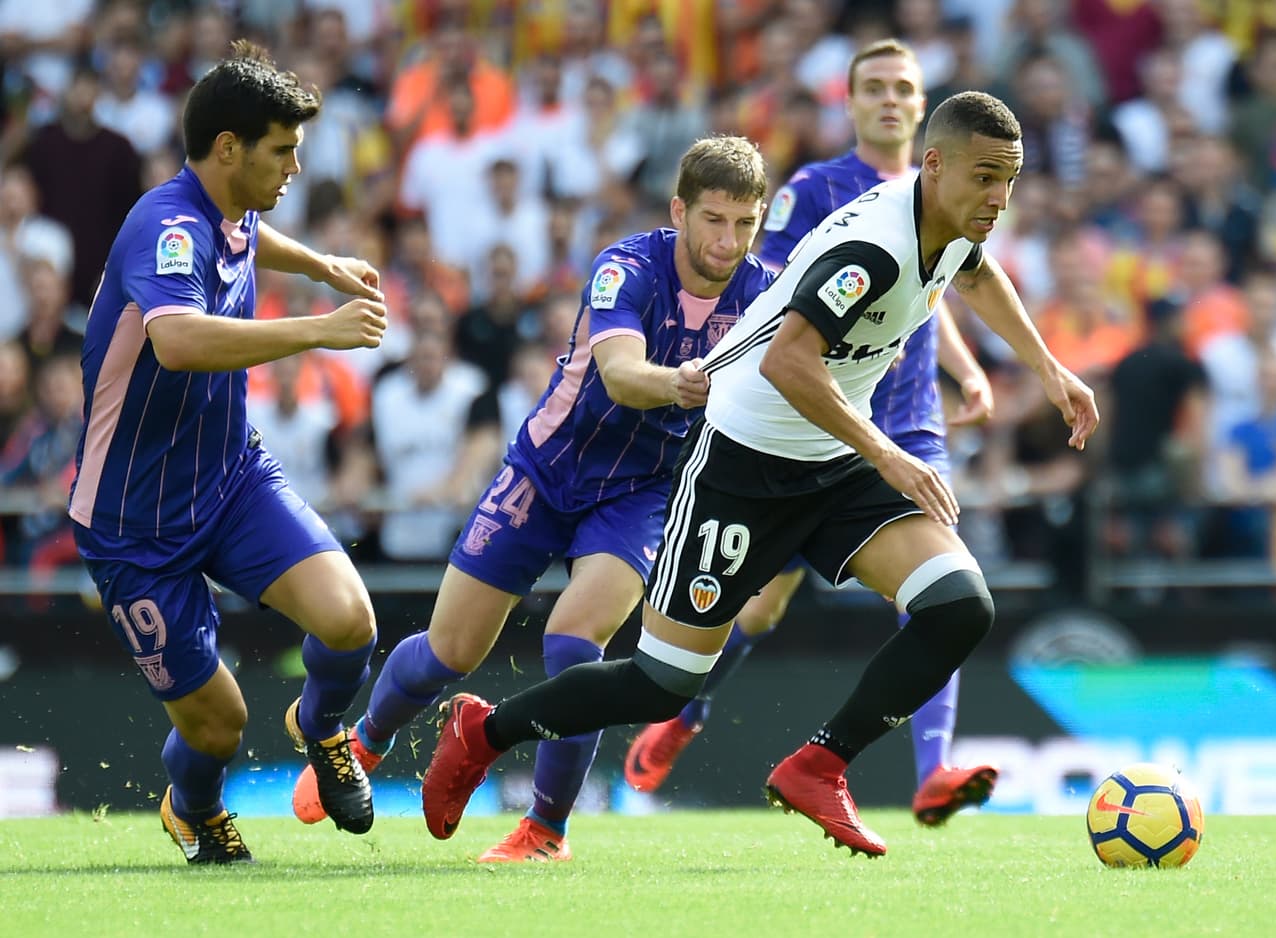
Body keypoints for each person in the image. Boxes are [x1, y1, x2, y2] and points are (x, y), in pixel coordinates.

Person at [420, 91, 1099, 857]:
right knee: (658, 683)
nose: (999, 199)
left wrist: (1048, 369)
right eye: (985, 177)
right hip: (743, 462)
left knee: (958, 605)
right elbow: (787, 361)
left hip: (832, 457)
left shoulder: (948, 219)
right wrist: (886, 451)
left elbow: (973, 273)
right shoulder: (873, 249)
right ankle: (485, 729)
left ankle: (820, 764)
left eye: (1009, 178)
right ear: (935, 166)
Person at [290, 136, 774, 861]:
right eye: (713, 220)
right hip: (544, 471)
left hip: (641, 493)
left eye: (745, 223)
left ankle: (546, 831)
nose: (728, 240)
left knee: (575, 648)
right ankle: (362, 743)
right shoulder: (627, 268)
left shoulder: (765, 292)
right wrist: (683, 382)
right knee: (450, 649)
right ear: (680, 210)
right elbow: (618, 374)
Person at [623, 38, 1001, 826]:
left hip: (905, 424)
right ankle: (683, 712)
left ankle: (933, 770)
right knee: (754, 612)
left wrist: (967, 368)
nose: (890, 100)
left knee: (939, 588)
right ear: (852, 102)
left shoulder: (960, 192)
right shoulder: (819, 190)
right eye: (874, 88)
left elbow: (937, 286)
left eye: (904, 87)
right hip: (805, 420)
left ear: (924, 105)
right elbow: (799, 299)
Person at [70, 41, 389, 865]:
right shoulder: (164, 225)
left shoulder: (229, 211)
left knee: (351, 622)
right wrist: (317, 330)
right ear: (226, 149)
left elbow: (251, 237)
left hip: (228, 478)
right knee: (219, 723)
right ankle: (194, 808)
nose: (293, 167)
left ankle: (319, 728)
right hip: (132, 521)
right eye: (281, 150)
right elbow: (175, 340)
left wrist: (321, 266)